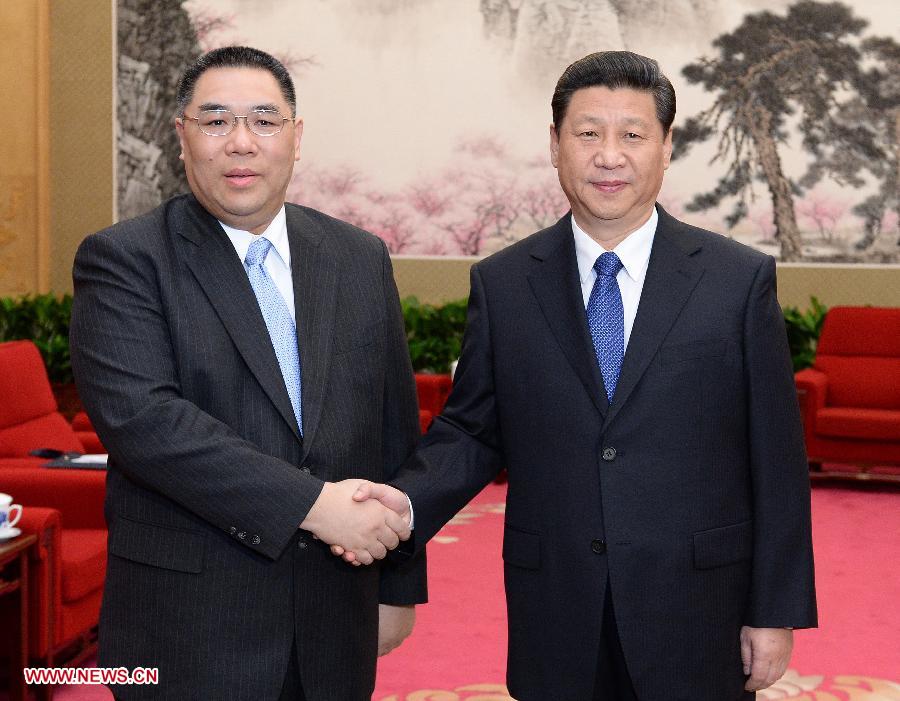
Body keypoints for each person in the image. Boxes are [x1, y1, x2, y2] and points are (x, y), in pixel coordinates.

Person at [345, 51, 817, 700]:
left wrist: (775, 607)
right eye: (588, 133)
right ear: (555, 145)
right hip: (558, 599)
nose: (609, 155)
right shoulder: (505, 283)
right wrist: (403, 503)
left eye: (632, 134)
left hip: (699, 604)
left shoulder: (738, 280)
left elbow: (777, 457)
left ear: (666, 146)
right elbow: (473, 431)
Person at [69, 46, 425, 700]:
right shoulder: (124, 260)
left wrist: (399, 584)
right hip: (190, 626)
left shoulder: (357, 257)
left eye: (264, 120)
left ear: (296, 138)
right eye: (215, 121)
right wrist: (317, 506)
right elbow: (148, 425)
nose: (241, 142)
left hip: (333, 617)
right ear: (182, 137)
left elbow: (391, 427)